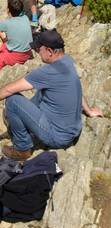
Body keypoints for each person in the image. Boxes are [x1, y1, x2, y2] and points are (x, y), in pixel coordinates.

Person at [0, 30, 103, 160]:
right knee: (42, 91)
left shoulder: (48, 72)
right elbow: (77, 87)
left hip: (56, 136)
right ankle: (21, 127)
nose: (37, 53)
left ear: (49, 51)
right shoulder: (67, 61)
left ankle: (22, 148)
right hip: (70, 131)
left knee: (12, 101)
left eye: (38, 49)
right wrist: (88, 110)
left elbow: (8, 90)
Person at [0, 0, 32, 68]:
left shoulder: (7, 23)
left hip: (16, 56)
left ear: (8, 10)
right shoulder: (25, 18)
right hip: (28, 52)